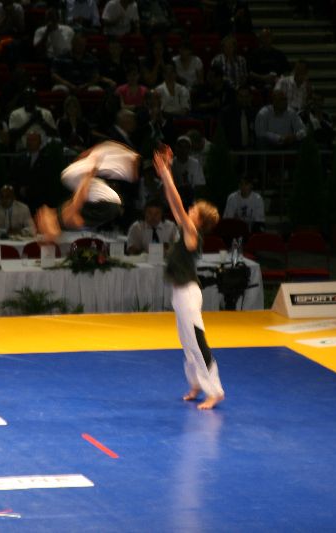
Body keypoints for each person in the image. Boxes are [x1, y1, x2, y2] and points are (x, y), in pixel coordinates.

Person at [153, 144, 224, 410]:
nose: (189, 209)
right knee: (186, 342)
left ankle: (215, 391)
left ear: (199, 220)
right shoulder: (187, 230)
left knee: (196, 339)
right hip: (180, 292)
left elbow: (178, 205)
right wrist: (166, 175)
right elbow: (174, 204)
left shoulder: (193, 233)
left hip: (188, 293)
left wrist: (167, 173)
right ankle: (196, 383)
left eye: (193, 210)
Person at [36, 141, 140, 242]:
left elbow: (79, 197)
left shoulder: (63, 216)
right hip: (106, 203)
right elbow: (80, 197)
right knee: (71, 180)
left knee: (74, 180)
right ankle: (125, 165)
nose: (40, 215)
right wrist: (90, 172)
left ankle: (124, 165)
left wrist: (89, 167)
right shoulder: (66, 218)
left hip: (106, 202)